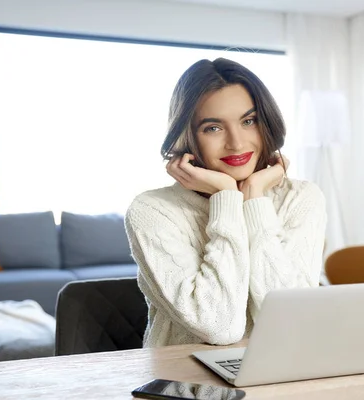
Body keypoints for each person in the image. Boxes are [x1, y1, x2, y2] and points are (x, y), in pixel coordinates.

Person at [125, 57, 326, 348]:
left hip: (281, 376)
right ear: (187, 135)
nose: (237, 143)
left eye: (249, 121)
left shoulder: (301, 198)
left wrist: (254, 197)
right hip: (184, 381)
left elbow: (292, 323)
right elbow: (219, 327)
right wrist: (227, 198)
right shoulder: (152, 211)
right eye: (213, 128)